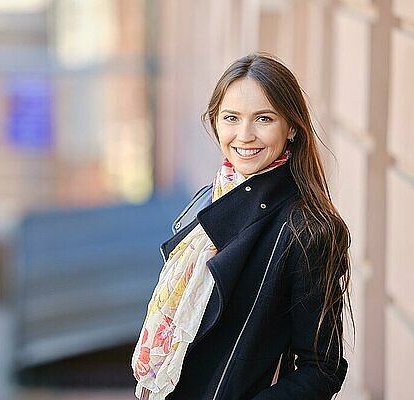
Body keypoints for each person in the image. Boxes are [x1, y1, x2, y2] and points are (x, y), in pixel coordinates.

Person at [131, 52, 353, 399]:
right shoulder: (211, 199)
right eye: (231, 117)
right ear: (215, 121)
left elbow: (322, 369)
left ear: (291, 128)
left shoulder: (306, 229)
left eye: (263, 119)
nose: (244, 135)